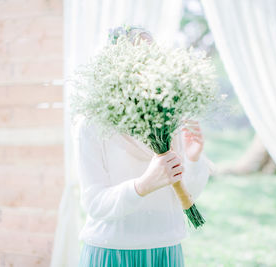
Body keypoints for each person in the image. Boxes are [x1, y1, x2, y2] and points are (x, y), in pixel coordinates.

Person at [76, 26, 211, 267]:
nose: (148, 64)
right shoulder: (92, 123)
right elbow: (94, 203)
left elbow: (182, 195)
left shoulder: (169, 115)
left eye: (152, 56)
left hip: (165, 250)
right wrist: (142, 185)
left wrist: (192, 158)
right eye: (138, 56)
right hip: (111, 250)